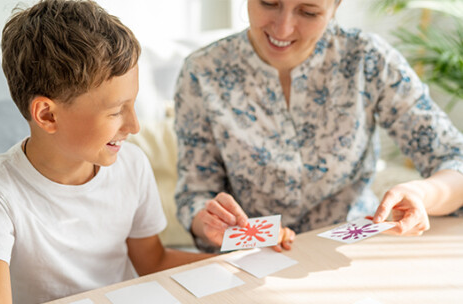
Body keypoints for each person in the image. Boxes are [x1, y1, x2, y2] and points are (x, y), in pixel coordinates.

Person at [0, 1, 216, 304]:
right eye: (117, 111)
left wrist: (246, 259)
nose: (134, 125)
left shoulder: (132, 166)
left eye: (133, 105)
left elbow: (154, 262)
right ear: (47, 115)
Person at [174, 0, 463, 252]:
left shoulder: (367, 58)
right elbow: (195, 195)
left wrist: (422, 194)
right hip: (252, 260)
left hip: (353, 252)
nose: (283, 28)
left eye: (308, 12)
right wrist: (209, 223)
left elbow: (455, 160)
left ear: (335, 7)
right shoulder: (202, 71)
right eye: (268, 3)